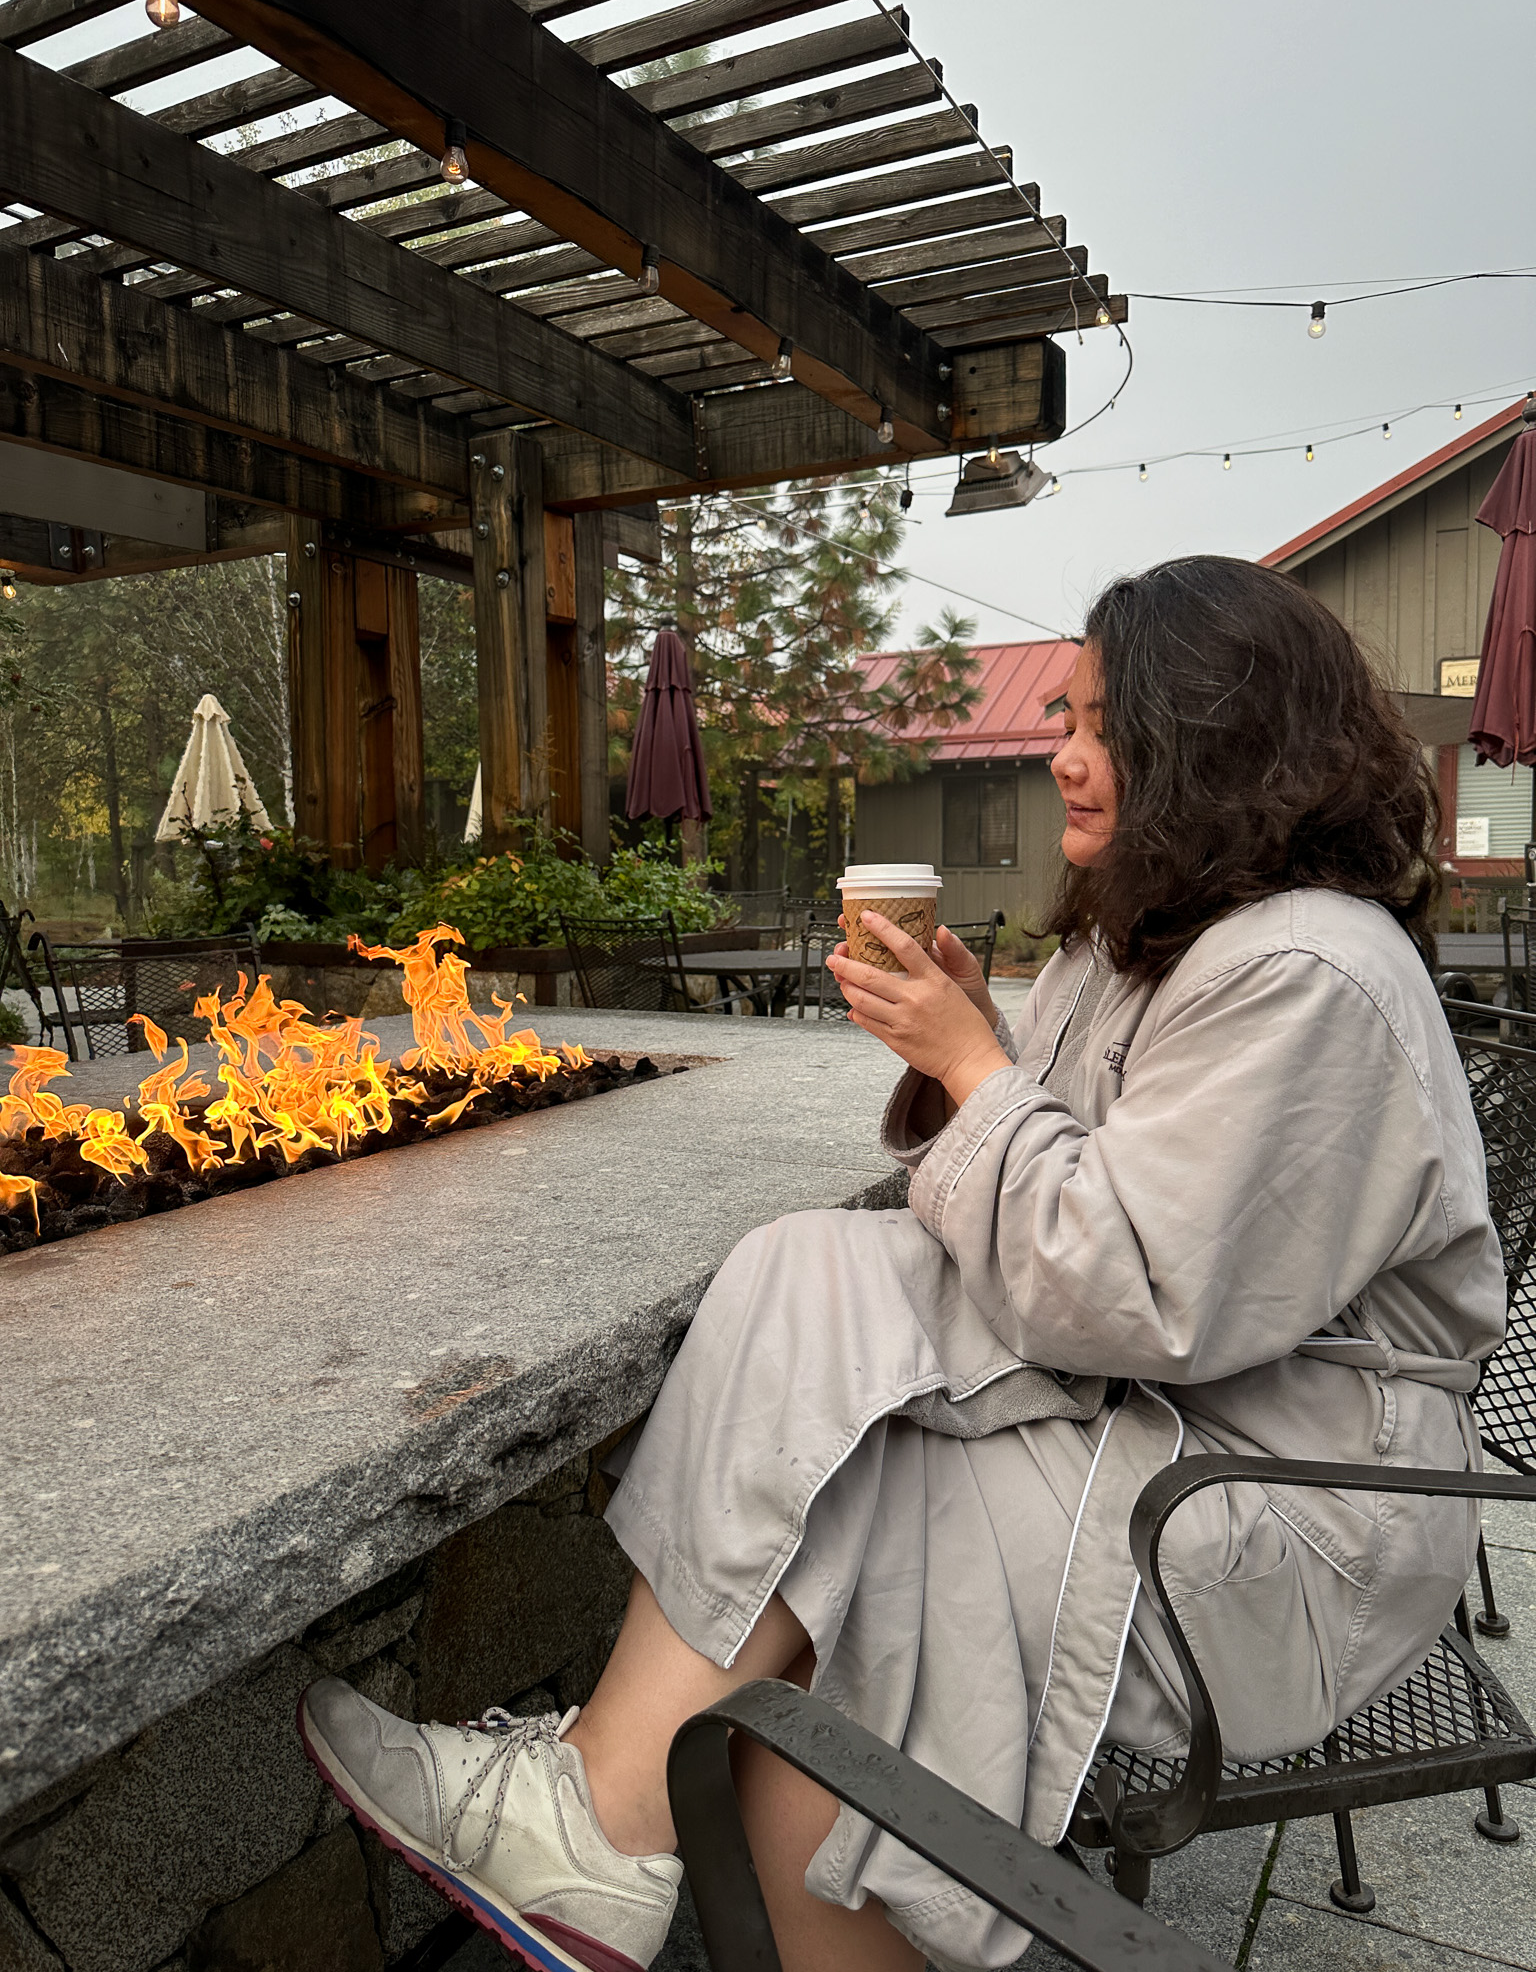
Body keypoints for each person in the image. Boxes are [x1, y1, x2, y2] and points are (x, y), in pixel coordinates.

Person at [298, 556, 1504, 1972]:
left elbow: (1134, 1291)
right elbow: (1030, 1201)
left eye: (1104, 723)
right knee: (822, 1331)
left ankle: (600, 1811)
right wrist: (965, 1058)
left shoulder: (1310, 973)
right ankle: (604, 1820)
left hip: (1276, 1519)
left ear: (1220, 740)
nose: (1064, 756)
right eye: (1067, 716)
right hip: (1141, 1435)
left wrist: (971, 1063)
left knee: (863, 1515)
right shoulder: (1146, 947)